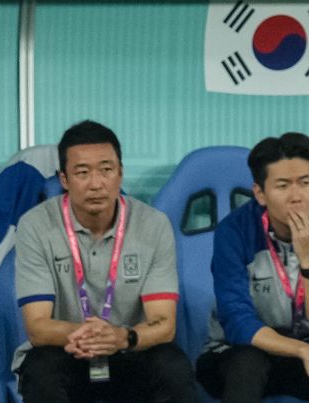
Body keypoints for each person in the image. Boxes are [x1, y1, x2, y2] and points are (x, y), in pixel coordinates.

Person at [13, 120, 196, 403]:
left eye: (106, 170)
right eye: (82, 172)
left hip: (129, 349)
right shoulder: (35, 225)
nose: (96, 184)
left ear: (120, 173)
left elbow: (164, 323)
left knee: (172, 366)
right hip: (68, 350)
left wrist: (122, 338)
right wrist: (89, 335)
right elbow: (37, 327)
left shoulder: (154, 224)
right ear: (64, 179)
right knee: (41, 369)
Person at [197, 133, 309, 403]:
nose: (296, 196)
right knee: (248, 363)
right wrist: (304, 351)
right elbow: (237, 323)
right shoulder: (233, 232)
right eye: (282, 186)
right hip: (239, 353)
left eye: (305, 183)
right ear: (260, 193)